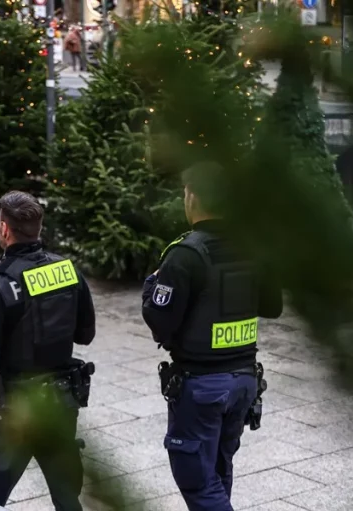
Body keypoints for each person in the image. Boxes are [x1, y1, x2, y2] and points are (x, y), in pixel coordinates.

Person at [141, 163, 283, 511]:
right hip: (244, 381)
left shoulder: (186, 253)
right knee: (218, 472)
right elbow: (273, 306)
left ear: (192, 197)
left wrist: (151, 286)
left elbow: (160, 321)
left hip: (202, 386)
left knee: (197, 480)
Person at [0, 191, 96, 511]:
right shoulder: (67, 270)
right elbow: (85, 334)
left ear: (4, 229)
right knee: (67, 498)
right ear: (39, 227)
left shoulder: (0, 283)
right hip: (61, 404)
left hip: (17, 410)